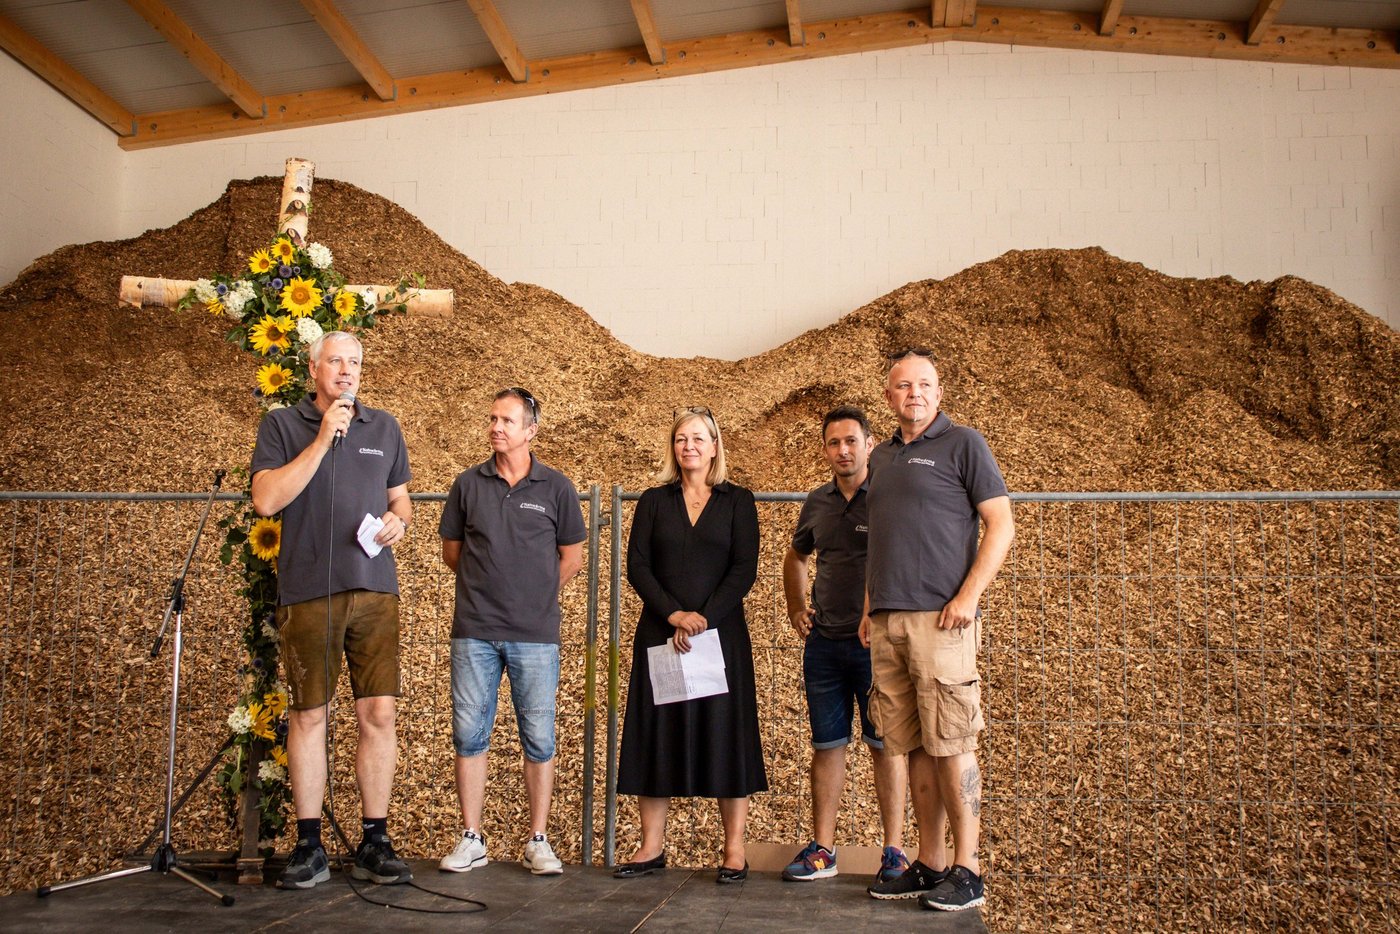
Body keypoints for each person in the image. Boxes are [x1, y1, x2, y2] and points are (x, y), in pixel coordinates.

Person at [250, 330, 413, 890]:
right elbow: (267, 499)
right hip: (308, 591)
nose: (348, 370)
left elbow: (401, 499)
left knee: (379, 715)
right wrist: (321, 441)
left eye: (356, 362)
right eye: (337, 361)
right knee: (309, 716)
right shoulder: (282, 425)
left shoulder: (384, 427)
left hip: (374, 590)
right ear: (313, 367)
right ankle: (308, 843)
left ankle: (375, 839)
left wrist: (400, 521)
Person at [862, 347, 1014, 912]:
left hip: (941, 619)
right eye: (903, 386)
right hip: (888, 621)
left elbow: (1000, 524)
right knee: (912, 745)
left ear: (939, 392)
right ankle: (928, 863)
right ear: (889, 396)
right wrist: (869, 608)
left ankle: (968, 869)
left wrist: (969, 598)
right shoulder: (879, 458)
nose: (915, 394)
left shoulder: (964, 445)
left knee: (952, 741)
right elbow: (883, 537)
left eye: (925, 384)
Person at [437, 387, 586, 877]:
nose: (496, 427)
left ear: (530, 431)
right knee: (469, 734)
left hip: (536, 634)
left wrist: (537, 594)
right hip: (474, 631)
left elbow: (572, 557)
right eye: (493, 418)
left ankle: (537, 840)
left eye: (507, 420)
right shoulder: (467, 485)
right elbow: (452, 553)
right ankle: (471, 837)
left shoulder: (557, 488)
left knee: (539, 738)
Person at [613, 407, 766, 884]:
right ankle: (651, 845)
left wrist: (703, 618)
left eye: (699, 438)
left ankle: (734, 849)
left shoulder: (738, 501)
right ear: (672, 447)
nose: (689, 446)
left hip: (720, 637)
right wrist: (674, 615)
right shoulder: (654, 501)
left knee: (726, 735)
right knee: (656, 734)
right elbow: (637, 565)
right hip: (662, 634)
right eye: (681, 438)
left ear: (715, 446)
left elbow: (745, 568)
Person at [780, 406, 913, 885]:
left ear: (869, 443)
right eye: (834, 443)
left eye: (851, 441)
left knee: (886, 747)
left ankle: (894, 851)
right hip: (824, 645)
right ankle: (824, 850)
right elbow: (795, 556)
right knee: (827, 746)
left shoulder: (888, 498)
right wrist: (797, 606)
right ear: (825, 449)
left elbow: (902, 561)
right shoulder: (817, 502)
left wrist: (875, 613)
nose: (843, 451)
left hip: (877, 648)